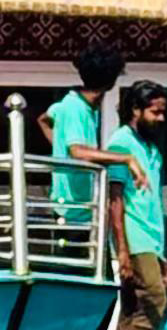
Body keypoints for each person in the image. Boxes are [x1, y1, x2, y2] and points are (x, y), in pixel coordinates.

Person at [105, 80, 167, 330]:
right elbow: (115, 200)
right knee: (154, 298)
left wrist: (160, 253)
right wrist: (122, 249)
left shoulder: (151, 149)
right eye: (155, 112)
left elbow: (151, 202)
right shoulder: (122, 143)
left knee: (132, 307)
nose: (161, 119)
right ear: (136, 110)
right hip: (134, 237)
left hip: (150, 239)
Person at [35, 48, 125, 240]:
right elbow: (77, 151)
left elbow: (44, 119)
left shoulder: (71, 105)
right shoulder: (75, 108)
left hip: (82, 208)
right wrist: (126, 158)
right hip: (73, 212)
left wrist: (59, 148)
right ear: (111, 82)